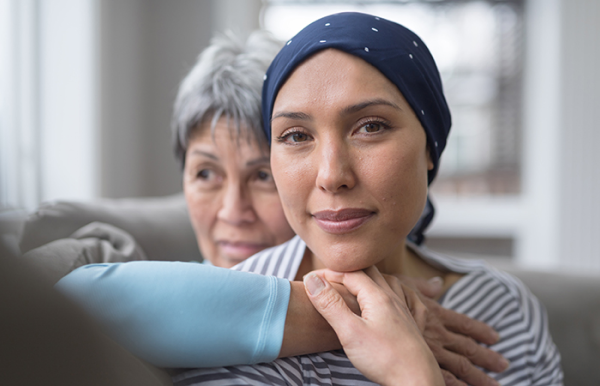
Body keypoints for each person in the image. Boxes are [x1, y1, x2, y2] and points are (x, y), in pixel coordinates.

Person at [56, 27, 518, 385]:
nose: (233, 211)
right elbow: (63, 304)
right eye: (205, 173)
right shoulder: (135, 273)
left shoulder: (497, 307)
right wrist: (346, 313)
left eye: (260, 176)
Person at [164, 12, 563, 386]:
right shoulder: (232, 324)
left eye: (370, 127)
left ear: (430, 148)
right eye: (297, 136)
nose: (331, 175)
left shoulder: (506, 308)